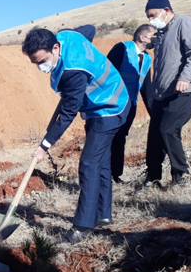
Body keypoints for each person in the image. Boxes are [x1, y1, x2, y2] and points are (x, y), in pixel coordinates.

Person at [22, 26, 130, 242]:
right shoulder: (68, 35)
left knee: (89, 163)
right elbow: (89, 29)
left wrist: (45, 145)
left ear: (55, 47)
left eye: (42, 61)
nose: (40, 67)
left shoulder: (72, 73)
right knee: (100, 161)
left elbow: (68, 112)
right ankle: (103, 215)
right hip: (106, 101)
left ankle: (83, 226)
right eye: (35, 63)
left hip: (108, 107)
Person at [144, 0, 191, 188]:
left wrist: (185, 78)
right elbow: (161, 67)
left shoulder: (185, 23)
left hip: (183, 90)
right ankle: (152, 179)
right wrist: (154, 93)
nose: (151, 20)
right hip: (162, 94)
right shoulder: (161, 34)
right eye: (148, 16)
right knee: (154, 136)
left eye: (153, 15)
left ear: (166, 11)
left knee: (168, 130)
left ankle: (181, 176)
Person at [107, 24, 156, 184]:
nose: (156, 39)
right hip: (112, 104)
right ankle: (102, 173)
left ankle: (115, 175)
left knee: (121, 137)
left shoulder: (147, 58)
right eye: (154, 36)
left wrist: (153, 113)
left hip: (130, 106)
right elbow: (106, 73)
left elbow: (146, 86)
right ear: (143, 37)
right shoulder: (122, 48)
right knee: (107, 137)